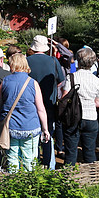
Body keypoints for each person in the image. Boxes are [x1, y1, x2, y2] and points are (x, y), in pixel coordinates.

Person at [0, 52, 50, 171]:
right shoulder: (33, 83)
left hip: (11, 127)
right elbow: (40, 109)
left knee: (12, 159)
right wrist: (45, 129)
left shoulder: (4, 82)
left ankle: (12, 184)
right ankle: (28, 186)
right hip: (30, 127)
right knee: (29, 160)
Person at [27, 35, 66, 168]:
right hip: (49, 104)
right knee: (48, 134)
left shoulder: (26, 61)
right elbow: (61, 81)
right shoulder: (54, 61)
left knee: (33, 137)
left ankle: (34, 164)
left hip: (30, 104)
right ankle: (49, 165)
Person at [60, 47, 99, 164]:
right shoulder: (96, 80)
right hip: (91, 118)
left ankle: (68, 177)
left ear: (78, 60)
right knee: (89, 152)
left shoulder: (71, 77)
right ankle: (92, 178)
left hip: (73, 117)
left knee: (71, 151)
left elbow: (65, 97)